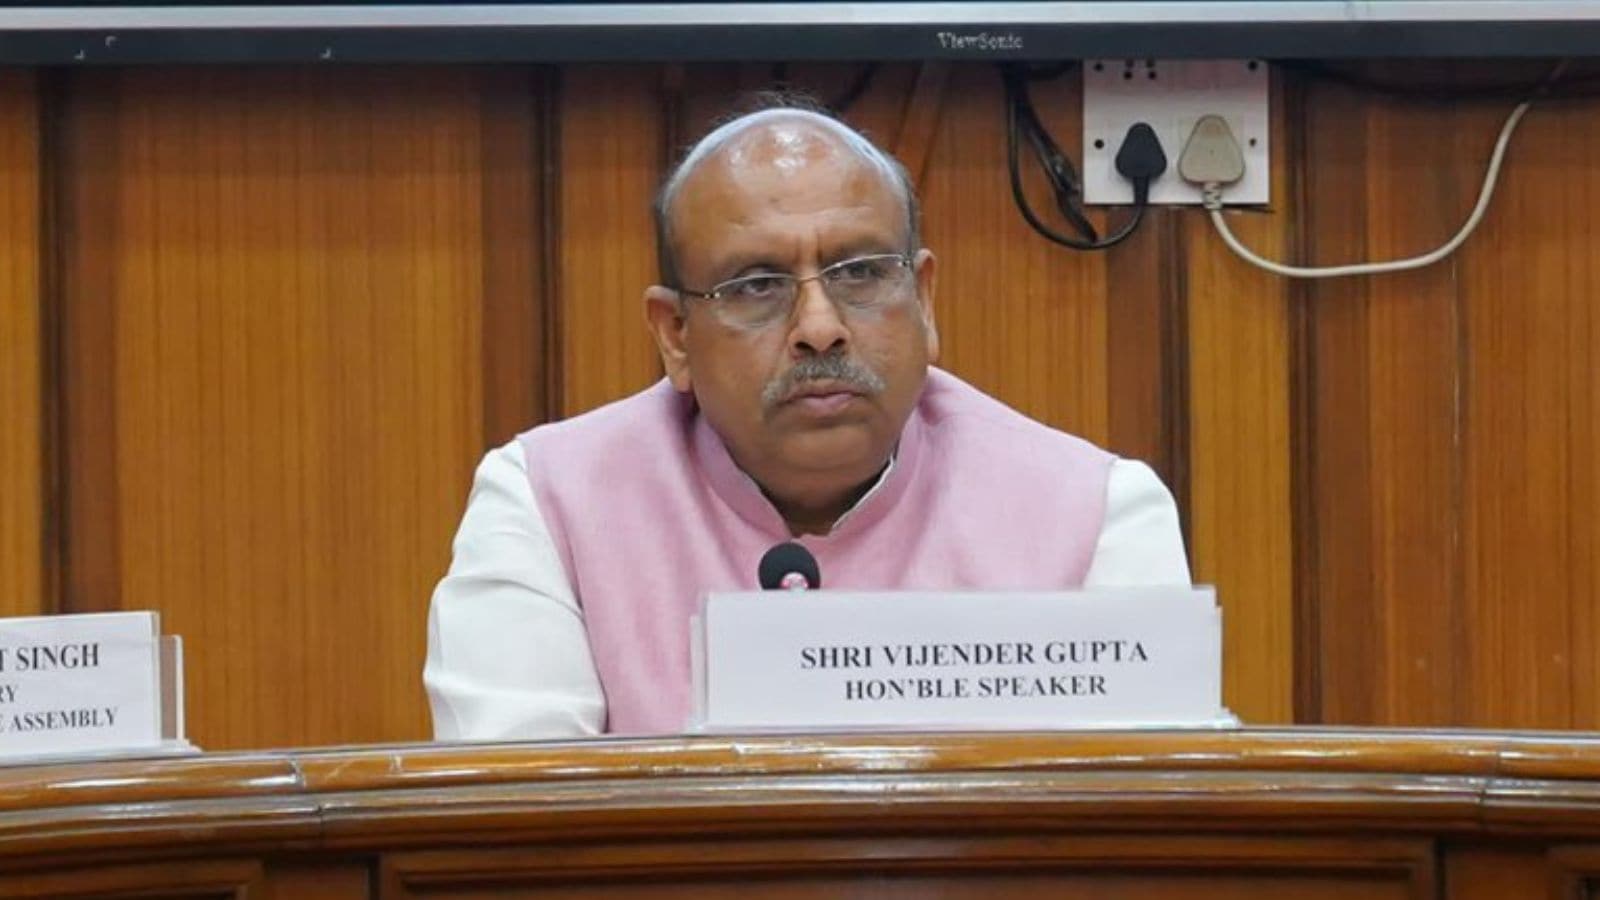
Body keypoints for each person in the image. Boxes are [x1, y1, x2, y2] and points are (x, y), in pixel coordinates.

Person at [424, 98, 1190, 741]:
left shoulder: (1098, 513)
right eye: (756, 285)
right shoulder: (547, 503)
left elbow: (1138, 827)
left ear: (924, 301)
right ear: (675, 334)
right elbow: (515, 830)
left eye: (861, 273)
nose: (819, 327)